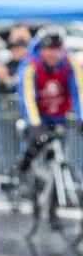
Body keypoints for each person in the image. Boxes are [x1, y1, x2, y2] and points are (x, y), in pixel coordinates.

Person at [16, 25, 83, 227]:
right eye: (48, 49)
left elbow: (79, 91)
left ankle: (53, 210)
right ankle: (24, 173)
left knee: (57, 162)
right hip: (38, 114)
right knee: (35, 146)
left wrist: (81, 119)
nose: (53, 53)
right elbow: (27, 96)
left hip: (59, 116)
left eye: (57, 49)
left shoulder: (69, 62)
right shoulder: (31, 65)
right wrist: (35, 124)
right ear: (41, 49)